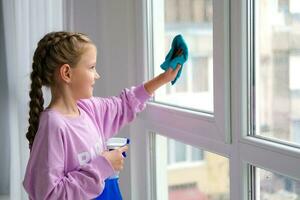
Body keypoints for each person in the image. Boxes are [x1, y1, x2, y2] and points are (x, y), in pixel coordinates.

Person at [23, 31, 181, 199]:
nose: (97, 75)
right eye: (91, 67)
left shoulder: (88, 109)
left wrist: (164, 78)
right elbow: (49, 195)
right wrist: (103, 165)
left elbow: (125, 104)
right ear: (67, 73)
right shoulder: (53, 125)